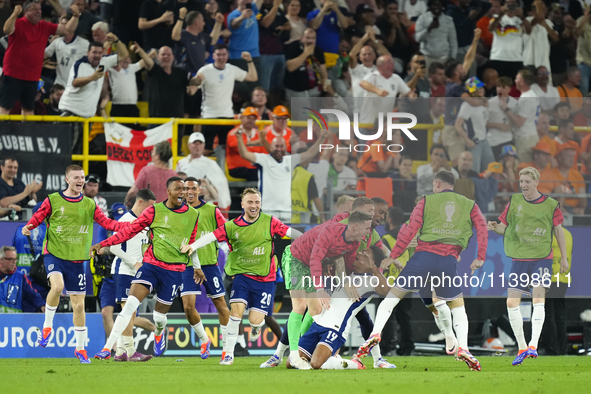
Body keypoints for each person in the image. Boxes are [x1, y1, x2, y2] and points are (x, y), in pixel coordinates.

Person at [357, 170, 488, 372]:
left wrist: (394, 255)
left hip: (421, 262)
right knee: (456, 307)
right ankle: (464, 347)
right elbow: (481, 227)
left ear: (436, 184)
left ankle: (376, 333)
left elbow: (408, 231)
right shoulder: (469, 205)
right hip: (446, 262)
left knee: (392, 301)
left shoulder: (425, 204)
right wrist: (479, 257)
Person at [180, 188, 302, 365]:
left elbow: (290, 232)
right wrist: (193, 246)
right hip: (242, 276)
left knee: (255, 320)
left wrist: (309, 240)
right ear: (243, 204)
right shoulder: (232, 226)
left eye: (257, 202)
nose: (254, 206)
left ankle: (256, 327)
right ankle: (228, 354)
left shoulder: (270, 222)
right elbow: (211, 236)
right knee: (235, 313)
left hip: (265, 279)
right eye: (250, 202)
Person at [21, 165, 127, 364]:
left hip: (77, 259)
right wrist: (30, 226)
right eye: (76, 177)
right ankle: (47, 328)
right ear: (67, 179)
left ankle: (80, 349)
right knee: (58, 286)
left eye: (82, 177)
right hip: (54, 254)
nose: (81, 180)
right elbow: (38, 216)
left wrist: (130, 225)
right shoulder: (53, 200)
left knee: (78, 306)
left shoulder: (89, 204)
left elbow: (107, 223)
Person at [93, 177, 204, 360]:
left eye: (185, 189)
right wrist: (105, 244)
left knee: (156, 316)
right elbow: (123, 235)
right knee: (128, 308)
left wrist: (196, 265)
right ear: (168, 192)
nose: (183, 192)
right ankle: (113, 349)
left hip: (172, 270)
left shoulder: (191, 215)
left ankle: (149, 337)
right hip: (142, 267)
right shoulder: (148, 213)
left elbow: (191, 243)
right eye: (179, 189)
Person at [487, 167, 569, 366]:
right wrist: (494, 227)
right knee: (511, 303)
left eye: (527, 182)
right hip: (520, 259)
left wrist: (564, 258)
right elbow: (503, 227)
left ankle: (533, 345)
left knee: (538, 301)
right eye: (521, 181)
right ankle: (523, 347)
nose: (523, 185)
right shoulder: (514, 202)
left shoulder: (550, 205)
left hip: (542, 258)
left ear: (536, 182)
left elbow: (558, 232)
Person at [281, 210, 373, 369]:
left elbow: (348, 265)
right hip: (296, 257)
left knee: (315, 310)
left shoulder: (354, 243)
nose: (369, 232)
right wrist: (320, 289)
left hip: (312, 265)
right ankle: (289, 354)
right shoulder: (330, 231)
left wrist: (348, 280)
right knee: (300, 306)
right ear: (356, 227)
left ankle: (308, 351)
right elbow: (315, 258)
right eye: (367, 228)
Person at [290, 246, 390, 370]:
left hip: (335, 328)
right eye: (361, 251)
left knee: (316, 364)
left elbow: (387, 291)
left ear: (372, 262)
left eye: (365, 254)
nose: (359, 253)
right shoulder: (347, 272)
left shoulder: (371, 281)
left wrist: (373, 268)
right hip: (319, 323)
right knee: (292, 363)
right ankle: (333, 360)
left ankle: (355, 364)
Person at [0, 2, 79, 115]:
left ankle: (26, 133)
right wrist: (14, 14)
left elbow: (67, 30)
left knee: (28, 110)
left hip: (32, 77)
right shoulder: (18, 23)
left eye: (39, 9)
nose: (38, 12)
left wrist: (76, 16)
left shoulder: (44, 26)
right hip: (12, 75)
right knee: (4, 108)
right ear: (26, 11)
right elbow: (6, 30)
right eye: (34, 9)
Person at [181, 178, 229, 360]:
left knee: (221, 306)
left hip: (209, 264)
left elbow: (225, 230)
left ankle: (227, 349)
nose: (190, 192)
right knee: (188, 308)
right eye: (186, 189)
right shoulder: (179, 212)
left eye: (193, 188)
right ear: (182, 191)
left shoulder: (211, 210)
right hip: (187, 266)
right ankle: (204, 339)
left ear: (200, 190)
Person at [237, 127, 329, 222]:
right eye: (276, 146)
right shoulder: (263, 159)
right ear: (271, 147)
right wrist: (239, 137)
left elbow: (310, 153)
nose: (279, 149)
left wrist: (321, 138)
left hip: (286, 211)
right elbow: (244, 154)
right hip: (268, 209)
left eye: (281, 146)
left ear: (285, 147)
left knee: (284, 236)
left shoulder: (290, 160)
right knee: (268, 237)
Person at [108, 188, 157, 362]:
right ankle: (131, 352)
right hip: (124, 270)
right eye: (150, 207)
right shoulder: (125, 221)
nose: (152, 211)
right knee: (127, 312)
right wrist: (133, 262)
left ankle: (120, 351)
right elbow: (113, 247)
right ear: (140, 202)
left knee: (131, 313)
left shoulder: (146, 223)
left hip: (137, 272)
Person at [196, 44, 258, 151]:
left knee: (226, 150)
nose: (221, 57)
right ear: (213, 56)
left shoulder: (232, 69)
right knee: (206, 150)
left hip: (227, 116)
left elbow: (253, 77)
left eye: (224, 54)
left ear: (228, 55)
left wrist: (249, 61)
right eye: (218, 55)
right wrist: (194, 81)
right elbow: (192, 90)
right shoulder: (204, 71)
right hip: (209, 116)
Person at [59, 37, 129, 118]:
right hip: (71, 110)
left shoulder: (104, 61)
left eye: (100, 53)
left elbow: (124, 55)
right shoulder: (79, 64)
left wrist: (116, 39)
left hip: (87, 115)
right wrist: (91, 78)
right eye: (94, 52)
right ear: (88, 52)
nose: (97, 55)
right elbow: (75, 83)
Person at [130, 43, 201, 119]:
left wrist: (198, 81)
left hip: (176, 119)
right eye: (163, 54)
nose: (166, 56)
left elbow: (193, 81)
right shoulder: (154, 70)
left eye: (168, 54)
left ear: (173, 57)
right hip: (157, 118)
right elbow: (147, 61)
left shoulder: (181, 72)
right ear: (158, 57)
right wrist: (140, 50)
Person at [176, 132, 231, 210]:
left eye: (200, 143)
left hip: (205, 202)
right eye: (194, 143)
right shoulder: (181, 163)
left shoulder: (211, 164)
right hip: (186, 202)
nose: (197, 146)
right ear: (189, 146)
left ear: (204, 146)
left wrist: (208, 190)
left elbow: (220, 185)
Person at [359, 55, 416, 126]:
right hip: (368, 123)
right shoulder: (373, 76)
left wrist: (412, 95)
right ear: (380, 66)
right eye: (389, 63)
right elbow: (362, 83)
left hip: (384, 124)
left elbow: (407, 92)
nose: (392, 66)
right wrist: (377, 90)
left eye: (392, 63)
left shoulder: (396, 78)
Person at [542, 226, 572, 355]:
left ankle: (553, 348)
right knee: (560, 315)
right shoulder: (568, 234)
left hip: (549, 277)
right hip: (563, 279)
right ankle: (562, 347)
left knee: (549, 315)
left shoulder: (548, 233)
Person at [454, 77, 494, 173]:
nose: (481, 89)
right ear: (473, 91)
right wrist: (467, 140)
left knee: (491, 168)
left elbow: (484, 122)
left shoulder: (481, 104)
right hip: (474, 141)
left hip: (484, 139)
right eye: (478, 88)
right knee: (473, 170)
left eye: (482, 87)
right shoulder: (467, 105)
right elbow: (458, 125)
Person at [502, 69, 540, 163]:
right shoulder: (532, 94)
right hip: (530, 135)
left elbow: (519, 122)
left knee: (525, 169)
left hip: (525, 139)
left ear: (521, 82)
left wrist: (506, 108)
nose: (515, 81)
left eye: (516, 78)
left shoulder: (526, 98)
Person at [539, 143, 587, 217]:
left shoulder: (577, 175)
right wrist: (565, 207)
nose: (572, 159)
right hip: (555, 209)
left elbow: (583, 197)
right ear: (560, 158)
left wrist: (581, 208)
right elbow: (549, 196)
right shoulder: (550, 173)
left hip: (575, 211)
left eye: (573, 156)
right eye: (568, 156)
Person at [44, 14, 90, 87]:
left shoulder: (84, 44)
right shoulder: (56, 42)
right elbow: (43, 55)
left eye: (65, 24)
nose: (62, 27)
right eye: (61, 24)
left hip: (75, 84)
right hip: (59, 84)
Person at [284, 28, 329, 99]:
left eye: (313, 38)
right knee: (304, 110)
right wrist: (306, 53)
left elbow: (324, 74)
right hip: (296, 90)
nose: (310, 41)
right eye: (307, 38)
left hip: (314, 89)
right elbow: (290, 68)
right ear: (301, 38)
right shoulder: (293, 47)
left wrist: (326, 87)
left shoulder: (318, 50)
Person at [488, 0, 528, 80]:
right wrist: (501, 14)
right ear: (503, 5)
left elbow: (529, 31)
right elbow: (491, 29)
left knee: (515, 86)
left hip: (516, 58)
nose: (511, 5)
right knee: (498, 84)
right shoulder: (496, 17)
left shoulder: (521, 20)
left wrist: (522, 16)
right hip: (498, 57)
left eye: (513, 3)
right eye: (508, 3)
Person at [226, 106, 267, 181]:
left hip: (255, 167)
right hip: (237, 168)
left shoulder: (258, 134)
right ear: (241, 118)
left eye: (253, 119)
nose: (251, 121)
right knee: (258, 174)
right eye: (248, 118)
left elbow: (264, 152)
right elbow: (234, 145)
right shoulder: (234, 132)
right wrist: (256, 142)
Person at [257, 0, 290, 93]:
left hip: (280, 51)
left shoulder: (279, 10)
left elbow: (288, 25)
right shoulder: (258, 9)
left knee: (278, 86)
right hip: (265, 53)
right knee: (265, 86)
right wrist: (275, 6)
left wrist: (282, 28)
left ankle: (276, 106)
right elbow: (265, 23)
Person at [0, 246, 45, 313]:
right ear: (1, 260)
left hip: (14, 321)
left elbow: (32, 295)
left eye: (15, 259)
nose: (14, 262)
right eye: (11, 259)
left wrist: (42, 305)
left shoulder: (21, 278)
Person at [414, 0, 457, 68]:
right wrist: (428, 29)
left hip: (443, 58)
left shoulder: (448, 20)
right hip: (426, 57)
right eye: (434, 5)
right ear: (430, 6)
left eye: (439, 5)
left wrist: (452, 58)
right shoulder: (422, 18)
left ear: (442, 6)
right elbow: (417, 38)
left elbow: (453, 41)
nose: (436, 7)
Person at [348, 27, 389, 98]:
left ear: (375, 56)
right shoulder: (356, 69)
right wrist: (365, 38)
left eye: (370, 54)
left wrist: (374, 40)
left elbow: (388, 56)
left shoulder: (379, 70)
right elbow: (352, 55)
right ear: (360, 57)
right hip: (359, 107)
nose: (367, 56)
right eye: (364, 54)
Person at [486, 76, 517, 160]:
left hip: (508, 139)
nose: (500, 89)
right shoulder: (490, 103)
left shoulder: (515, 103)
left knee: (509, 164)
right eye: (498, 86)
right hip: (493, 141)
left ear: (509, 89)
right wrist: (498, 125)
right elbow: (483, 122)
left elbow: (518, 121)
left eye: (503, 87)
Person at [575, 7, 591, 96]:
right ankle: (583, 110)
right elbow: (576, 34)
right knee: (584, 91)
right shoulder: (581, 20)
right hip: (584, 62)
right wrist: (585, 18)